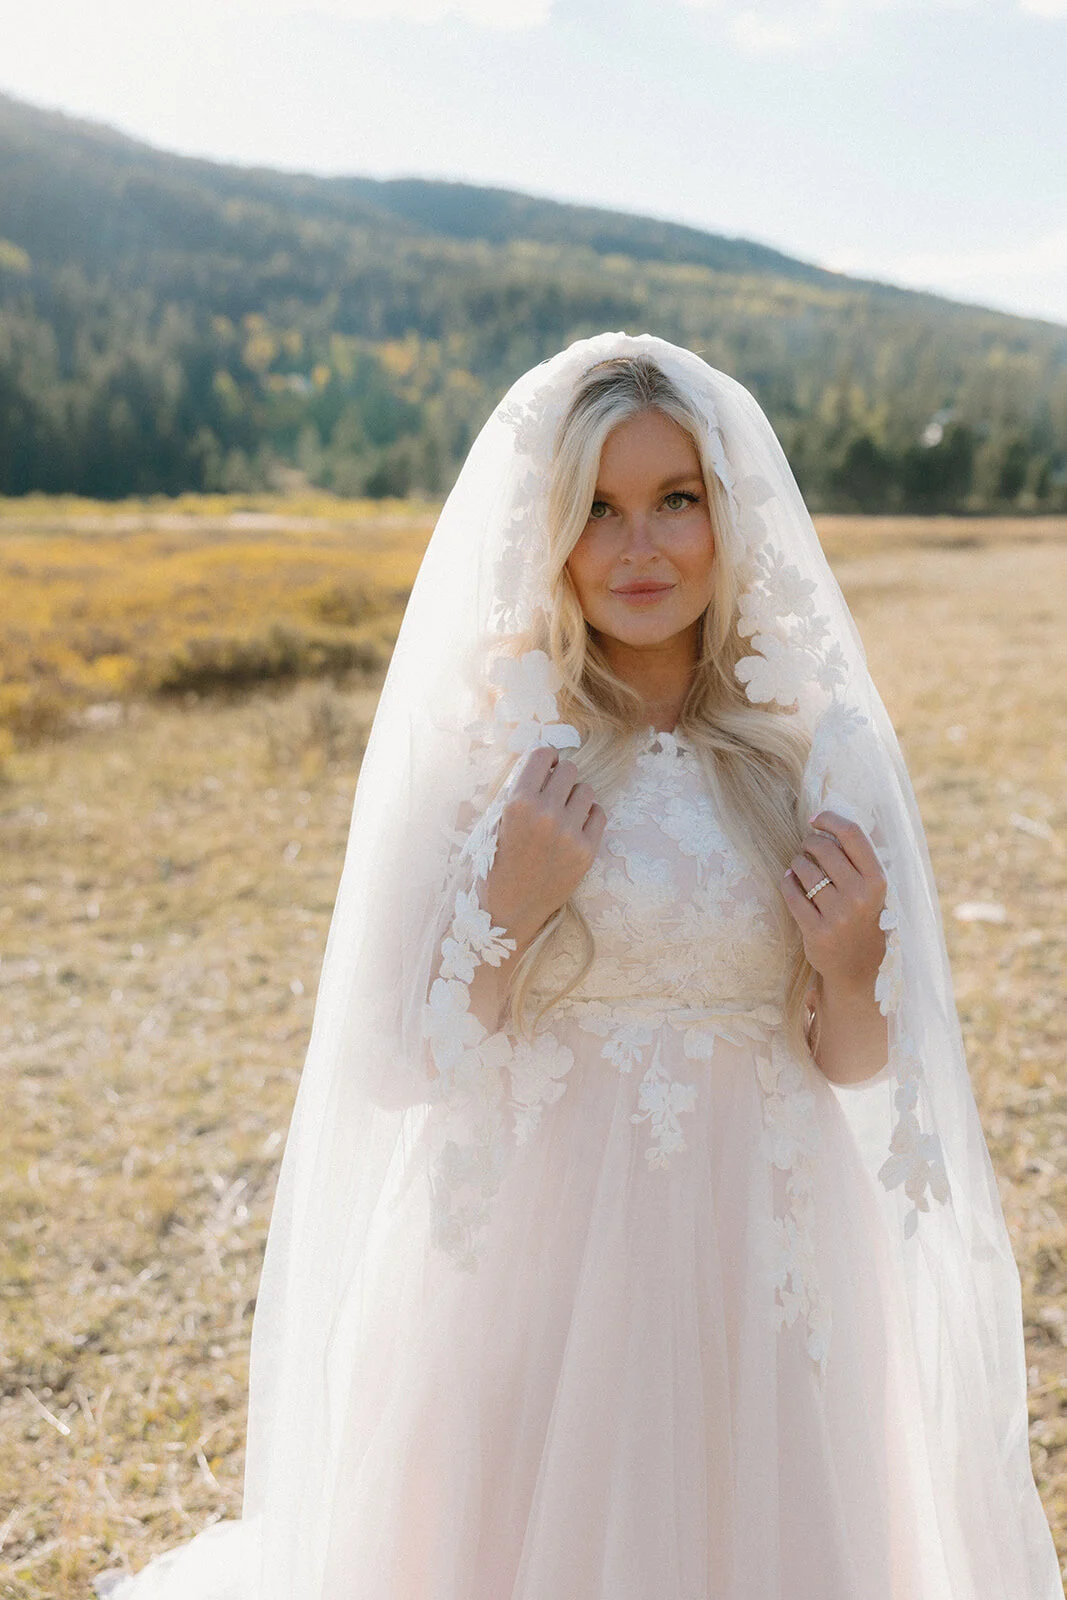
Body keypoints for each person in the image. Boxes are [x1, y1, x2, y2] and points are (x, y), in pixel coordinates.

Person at [95, 333, 1064, 1599]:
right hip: (533, 1255)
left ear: (727, 516)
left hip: (762, 1239)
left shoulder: (797, 744)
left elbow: (851, 1060)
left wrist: (851, 951)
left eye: (675, 501)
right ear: (545, 530)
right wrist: (505, 900)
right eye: (597, 509)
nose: (639, 548)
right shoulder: (488, 738)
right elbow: (398, 1067)